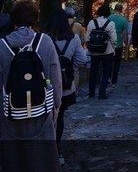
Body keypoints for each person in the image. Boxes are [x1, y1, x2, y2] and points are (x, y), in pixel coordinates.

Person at [0, 0, 62, 172]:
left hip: (10, 114)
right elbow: (55, 79)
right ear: (35, 20)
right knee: (44, 161)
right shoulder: (45, 42)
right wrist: (56, 107)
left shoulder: (1, 46)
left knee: (14, 161)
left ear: (13, 21)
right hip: (41, 113)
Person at [45, 9, 89, 165]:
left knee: (45, 119)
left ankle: (44, 152)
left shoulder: (44, 39)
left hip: (46, 85)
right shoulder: (74, 39)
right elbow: (82, 59)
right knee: (60, 117)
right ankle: (56, 152)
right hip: (65, 86)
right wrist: (70, 68)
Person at [85, 4, 117, 99]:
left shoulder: (92, 22)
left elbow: (87, 37)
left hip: (94, 51)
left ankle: (91, 92)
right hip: (107, 51)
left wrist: (89, 46)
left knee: (93, 71)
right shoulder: (110, 23)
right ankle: (102, 93)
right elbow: (114, 39)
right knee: (106, 72)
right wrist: (114, 49)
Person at [108, 2, 130, 87]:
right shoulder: (123, 20)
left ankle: (108, 77)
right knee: (117, 63)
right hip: (119, 44)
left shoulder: (109, 18)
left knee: (109, 62)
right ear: (121, 10)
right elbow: (125, 33)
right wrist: (126, 43)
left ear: (114, 9)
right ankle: (114, 81)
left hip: (109, 44)